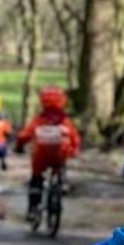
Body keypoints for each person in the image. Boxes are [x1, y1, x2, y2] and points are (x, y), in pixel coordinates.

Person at [13, 86, 82, 220]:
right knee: (61, 164)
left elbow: (24, 136)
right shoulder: (65, 121)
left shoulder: (39, 120)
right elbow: (75, 138)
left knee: (36, 178)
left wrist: (19, 146)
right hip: (60, 154)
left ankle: (33, 208)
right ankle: (62, 182)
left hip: (41, 156)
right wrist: (74, 150)